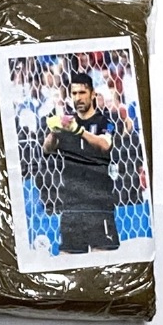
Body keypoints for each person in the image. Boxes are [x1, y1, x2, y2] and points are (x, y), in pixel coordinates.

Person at [42, 72, 120, 254]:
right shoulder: (67, 122)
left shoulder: (105, 122)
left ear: (93, 94)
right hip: (72, 205)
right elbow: (47, 149)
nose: (78, 98)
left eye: (82, 92)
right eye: (74, 93)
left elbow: (105, 144)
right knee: (67, 258)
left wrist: (78, 131)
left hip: (98, 204)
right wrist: (54, 132)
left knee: (101, 259)